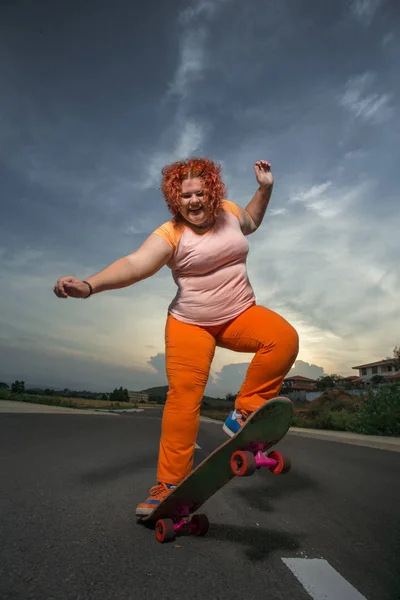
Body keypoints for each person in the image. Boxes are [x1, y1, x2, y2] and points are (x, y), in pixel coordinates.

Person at [53, 157, 299, 516]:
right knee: (183, 399)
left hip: (240, 314)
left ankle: (244, 412)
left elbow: (252, 221)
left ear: (212, 192)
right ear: (174, 199)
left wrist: (265, 188)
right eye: (185, 197)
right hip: (190, 325)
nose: (194, 202)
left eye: (200, 193)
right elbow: (135, 265)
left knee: (284, 338)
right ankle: (167, 485)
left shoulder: (229, 212)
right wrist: (90, 286)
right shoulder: (170, 234)